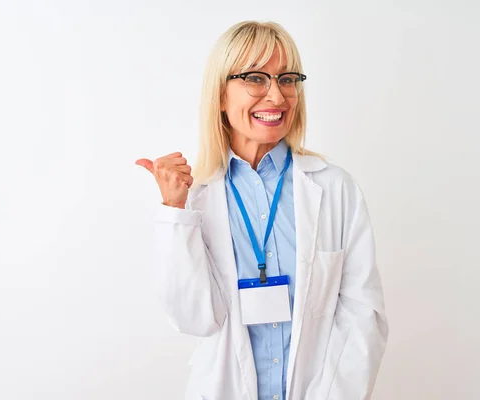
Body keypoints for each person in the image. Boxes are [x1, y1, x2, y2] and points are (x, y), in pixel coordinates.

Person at [136, 20, 388, 400]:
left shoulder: (334, 188)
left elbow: (363, 316)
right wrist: (174, 211)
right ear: (220, 95)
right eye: (255, 78)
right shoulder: (198, 197)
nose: (276, 96)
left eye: (287, 79)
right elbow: (194, 318)